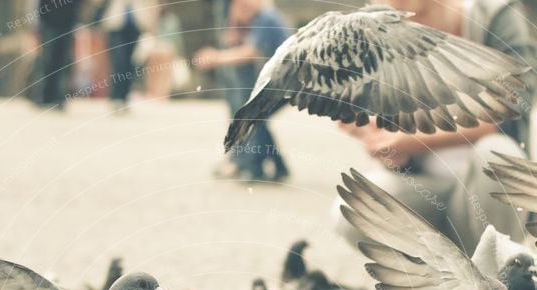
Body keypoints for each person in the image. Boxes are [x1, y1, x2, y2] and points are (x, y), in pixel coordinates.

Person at [333, 0, 536, 256]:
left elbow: (506, 111)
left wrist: (409, 139)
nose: (413, 28)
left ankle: (500, 275)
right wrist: (382, 143)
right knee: (353, 208)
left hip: (491, 194)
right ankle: (439, 283)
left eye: (421, 14)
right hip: (427, 190)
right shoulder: (396, 43)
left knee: (496, 153)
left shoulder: (496, 19)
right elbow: (394, 146)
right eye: (399, 23)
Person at [195, 0, 293, 182]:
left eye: (242, 6)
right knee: (256, 119)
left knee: (252, 117)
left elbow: (250, 52)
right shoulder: (259, 17)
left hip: (289, 85)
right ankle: (278, 167)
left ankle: (255, 168)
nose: (239, 10)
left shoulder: (266, 17)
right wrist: (235, 24)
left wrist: (216, 58)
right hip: (285, 83)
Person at [94, 1, 159, 107]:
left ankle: (124, 96)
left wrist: (152, 26)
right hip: (115, 25)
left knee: (131, 63)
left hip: (137, 25)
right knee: (119, 60)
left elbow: (153, 4)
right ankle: (116, 97)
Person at [36, 0, 83, 108]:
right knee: (48, 60)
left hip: (67, 22)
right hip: (49, 22)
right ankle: (45, 96)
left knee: (62, 61)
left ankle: (59, 96)